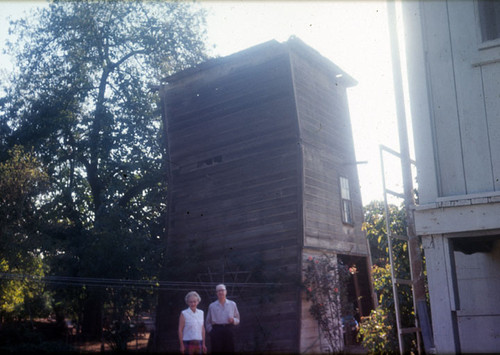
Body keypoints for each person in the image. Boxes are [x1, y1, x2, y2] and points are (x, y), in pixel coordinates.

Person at [205, 284, 240, 353]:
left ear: (226, 291)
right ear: (216, 293)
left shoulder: (232, 304)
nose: (220, 292)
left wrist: (233, 320)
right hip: (216, 330)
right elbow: (207, 322)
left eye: (222, 290)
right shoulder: (212, 306)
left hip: (228, 330)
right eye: (218, 291)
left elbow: (238, 319)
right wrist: (211, 332)